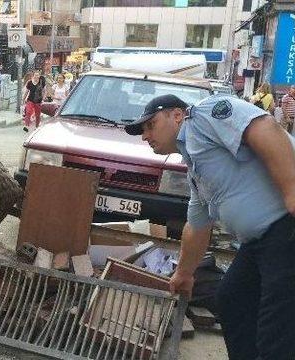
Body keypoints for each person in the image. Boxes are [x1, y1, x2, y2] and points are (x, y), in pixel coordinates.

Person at [124, 94, 295, 359]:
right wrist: (184, 273)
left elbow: (265, 128)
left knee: (277, 327)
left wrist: (292, 190)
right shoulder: (195, 165)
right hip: (260, 241)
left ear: (177, 115)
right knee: (232, 299)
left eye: (150, 125)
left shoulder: (205, 115)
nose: (145, 136)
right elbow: (197, 226)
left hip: (286, 228)